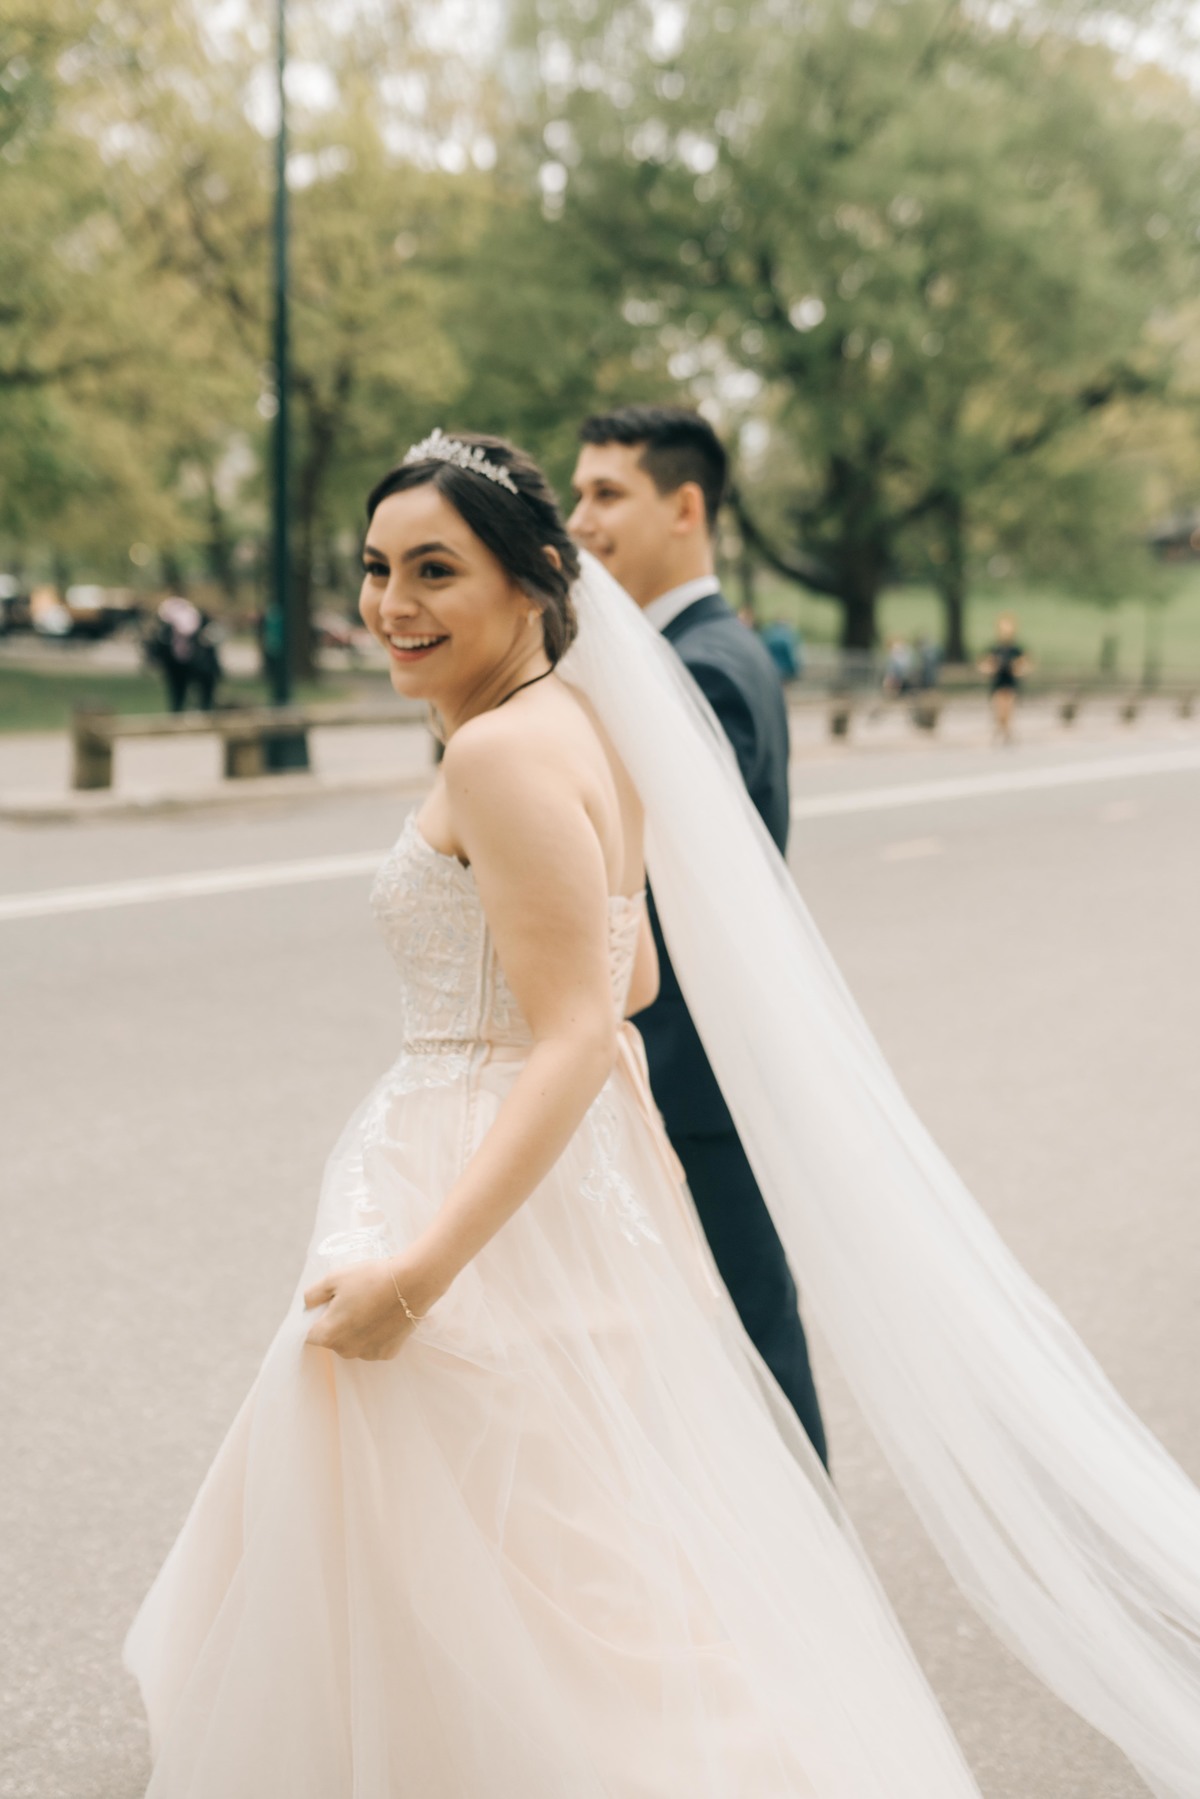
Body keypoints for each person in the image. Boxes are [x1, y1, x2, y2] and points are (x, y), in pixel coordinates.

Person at [125, 432, 1200, 1799]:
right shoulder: (586, 729)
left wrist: (421, 1268)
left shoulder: (505, 754)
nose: (392, 603)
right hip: (563, 1183)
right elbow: (628, 974)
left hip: (472, 1179)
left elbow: (579, 1025)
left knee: (485, 1564)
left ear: (533, 584)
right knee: (570, 1547)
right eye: (378, 568)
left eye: (436, 570)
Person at [569, 404, 827, 1467]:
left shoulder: (705, 669)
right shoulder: (683, 653)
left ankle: (815, 1599)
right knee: (712, 1351)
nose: (579, 519)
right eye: (577, 492)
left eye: (605, 494)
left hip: (693, 1078)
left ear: (686, 507)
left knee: (751, 1353)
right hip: (688, 1072)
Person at [147, 596, 221, 712]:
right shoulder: (167, 631)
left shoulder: (200, 627)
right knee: (178, 693)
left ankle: (203, 711)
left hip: (198, 665)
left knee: (203, 695)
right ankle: (179, 713)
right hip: (177, 665)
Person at [978, 613, 1031, 744]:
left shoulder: (1016, 650)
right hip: (998, 683)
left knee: (1008, 709)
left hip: (1010, 683)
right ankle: (1002, 730)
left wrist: (1018, 669)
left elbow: (1025, 664)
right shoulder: (995, 649)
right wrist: (991, 668)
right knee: (999, 709)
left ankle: (1006, 731)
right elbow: (985, 664)